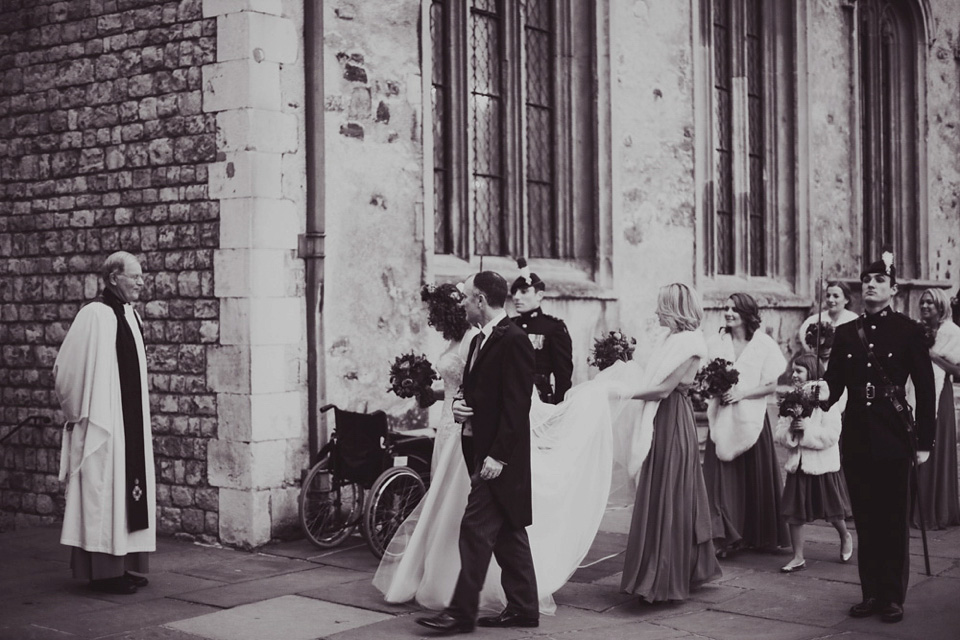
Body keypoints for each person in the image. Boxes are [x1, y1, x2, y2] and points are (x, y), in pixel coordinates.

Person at [806, 251, 935, 623]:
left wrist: (924, 442)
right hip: (859, 436)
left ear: (893, 289)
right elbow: (834, 386)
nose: (870, 285)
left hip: (895, 436)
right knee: (866, 518)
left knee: (892, 519)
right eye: (866, 280)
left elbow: (925, 391)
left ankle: (892, 596)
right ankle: (871, 593)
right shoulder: (847, 333)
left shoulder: (908, 331)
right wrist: (818, 393)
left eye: (878, 280)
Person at [416, 271, 539, 634]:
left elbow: (517, 406)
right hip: (481, 449)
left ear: (482, 300)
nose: (464, 303)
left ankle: (460, 613)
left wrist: (498, 457)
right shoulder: (480, 340)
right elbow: (480, 395)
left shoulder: (514, 339)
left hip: (499, 458)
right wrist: (460, 408)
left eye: (468, 298)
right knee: (508, 533)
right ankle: (524, 609)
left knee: (474, 528)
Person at [54, 251, 155, 595]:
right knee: (104, 491)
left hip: (130, 425)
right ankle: (104, 572)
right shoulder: (95, 315)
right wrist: (78, 415)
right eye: (135, 276)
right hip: (105, 422)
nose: (141, 282)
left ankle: (123, 564)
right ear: (113, 277)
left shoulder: (130, 314)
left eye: (142, 276)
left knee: (126, 492)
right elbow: (66, 370)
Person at [619, 284, 722, 602]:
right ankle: (658, 571)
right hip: (659, 419)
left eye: (661, 306)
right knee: (657, 491)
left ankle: (662, 578)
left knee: (670, 494)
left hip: (672, 421)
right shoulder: (668, 340)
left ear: (675, 309)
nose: (656, 312)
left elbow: (663, 390)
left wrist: (618, 393)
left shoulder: (691, 344)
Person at [702, 292, 789, 556]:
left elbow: (772, 385)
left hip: (752, 417)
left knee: (754, 478)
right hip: (723, 417)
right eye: (726, 308)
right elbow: (705, 378)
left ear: (747, 314)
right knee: (721, 481)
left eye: (734, 309)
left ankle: (754, 534)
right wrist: (714, 388)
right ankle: (725, 537)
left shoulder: (763, 344)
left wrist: (742, 394)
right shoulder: (717, 342)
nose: (728, 313)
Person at [774, 354, 853, 573]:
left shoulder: (827, 399)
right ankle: (798, 556)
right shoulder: (791, 398)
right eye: (793, 370)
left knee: (833, 510)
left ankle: (845, 535)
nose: (794, 375)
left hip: (822, 465)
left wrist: (807, 431)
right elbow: (779, 431)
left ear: (812, 372)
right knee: (794, 512)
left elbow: (831, 435)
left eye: (799, 370)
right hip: (798, 464)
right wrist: (791, 431)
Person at [910, 288, 960, 529]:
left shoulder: (953, 332)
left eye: (931, 302)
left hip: (941, 394)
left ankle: (935, 509)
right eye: (923, 302)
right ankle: (915, 506)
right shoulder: (915, 330)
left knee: (936, 444)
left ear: (941, 306)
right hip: (916, 389)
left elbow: (958, 371)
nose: (926, 306)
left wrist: (932, 356)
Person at [510, 258, 573, 404]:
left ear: (539, 295)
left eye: (524, 292)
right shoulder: (510, 325)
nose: (516, 297)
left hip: (540, 400)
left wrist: (558, 410)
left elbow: (563, 375)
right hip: (510, 398)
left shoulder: (554, 328)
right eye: (514, 293)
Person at [797, 280, 858, 352]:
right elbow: (807, 346)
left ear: (846, 300)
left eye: (836, 296)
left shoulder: (854, 320)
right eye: (828, 296)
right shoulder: (813, 320)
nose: (830, 300)